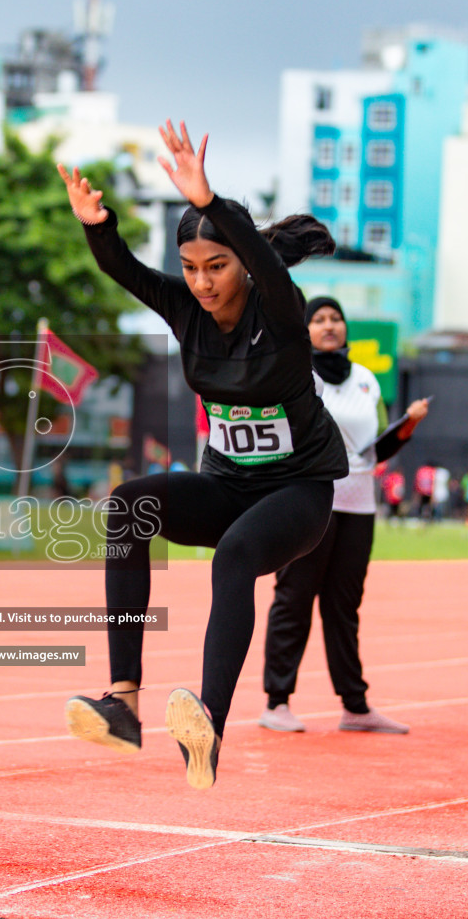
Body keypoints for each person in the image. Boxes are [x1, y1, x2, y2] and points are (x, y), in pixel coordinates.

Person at [57, 121, 346, 789]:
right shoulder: (184, 309)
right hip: (227, 485)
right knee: (130, 505)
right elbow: (121, 268)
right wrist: (96, 226)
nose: (203, 283)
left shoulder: (277, 309)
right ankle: (122, 701)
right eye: (190, 268)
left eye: (217, 266)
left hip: (298, 493)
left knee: (237, 554)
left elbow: (268, 267)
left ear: (243, 264)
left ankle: (207, 724)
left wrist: (212, 203)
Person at [258, 296, 428, 735]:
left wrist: (405, 428)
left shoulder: (368, 380)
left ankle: (355, 706)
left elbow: (372, 451)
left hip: (359, 504)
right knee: (294, 598)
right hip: (309, 500)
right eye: (318, 319)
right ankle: (277, 701)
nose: (329, 325)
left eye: (336, 319)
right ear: (305, 329)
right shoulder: (297, 374)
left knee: (344, 606)